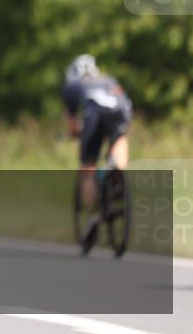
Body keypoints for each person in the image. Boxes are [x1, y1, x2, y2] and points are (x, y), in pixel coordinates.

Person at [61, 54, 132, 251]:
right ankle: (117, 170)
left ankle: (93, 212)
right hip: (121, 111)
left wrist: (76, 133)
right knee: (119, 138)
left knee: (88, 165)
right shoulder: (109, 79)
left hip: (94, 114)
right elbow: (124, 101)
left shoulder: (71, 87)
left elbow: (72, 125)